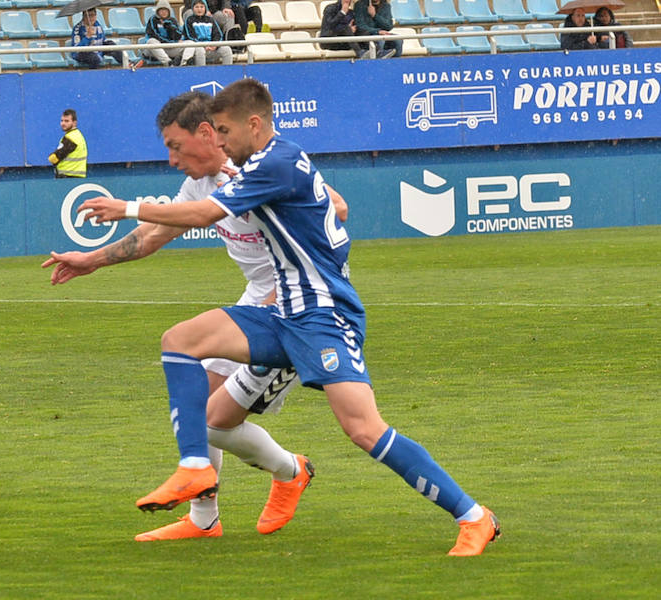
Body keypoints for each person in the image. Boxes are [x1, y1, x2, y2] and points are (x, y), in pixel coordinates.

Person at [76, 78, 501, 556]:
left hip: (321, 314)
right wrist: (91, 259)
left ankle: (474, 516)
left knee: (363, 429)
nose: (220, 141)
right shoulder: (249, 166)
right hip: (279, 311)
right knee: (180, 341)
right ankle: (196, 472)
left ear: (251, 125)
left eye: (224, 131)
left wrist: (126, 206)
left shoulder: (274, 163)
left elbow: (213, 216)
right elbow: (167, 228)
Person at [44, 91, 348, 540]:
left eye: (174, 145)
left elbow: (336, 207)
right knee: (195, 399)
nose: (170, 159)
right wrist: (92, 260)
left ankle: (290, 471)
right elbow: (150, 237)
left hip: (298, 304)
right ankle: (205, 521)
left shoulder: (254, 166)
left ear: (207, 133)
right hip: (256, 298)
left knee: (212, 420)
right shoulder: (201, 184)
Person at [142, 0, 195, 67]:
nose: (163, 12)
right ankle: (169, 63)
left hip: (170, 47)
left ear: (169, 11)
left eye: (165, 10)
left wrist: (169, 27)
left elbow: (178, 36)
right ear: (158, 11)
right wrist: (169, 42)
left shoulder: (172, 21)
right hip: (157, 48)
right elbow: (153, 35)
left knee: (191, 43)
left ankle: (184, 63)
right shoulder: (153, 19)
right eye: (161, 10)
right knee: (151, 41)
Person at [183, 0, 233, 65]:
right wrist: (203, 45)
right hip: (198, 47)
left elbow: (218, 34)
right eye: (197, 7)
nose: (199, 9)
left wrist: (214, 45)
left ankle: (227, 72)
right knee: (200, 50)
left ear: (205, 8)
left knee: (226, 49)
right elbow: (190, 36)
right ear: (193, 8)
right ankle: (202, 72)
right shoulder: (189, 20)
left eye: (201, 7)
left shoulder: (210, 20)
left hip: (211, 47)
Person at [48, 109, 87, 179]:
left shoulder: (71, 138)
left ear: (74, 123)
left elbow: (54, 158)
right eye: (62, 121)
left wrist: (50, 158)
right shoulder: (78, 135)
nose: (63, 123)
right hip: (76, 177)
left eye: (66, 121)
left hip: (68, 178)